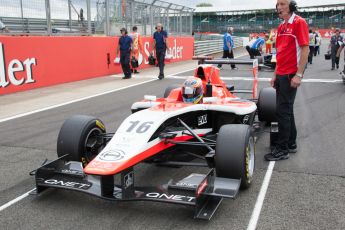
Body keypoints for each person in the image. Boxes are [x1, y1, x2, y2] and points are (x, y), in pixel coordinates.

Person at [265, 0, 309, 161]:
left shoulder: (299, 22)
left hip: (291, 74)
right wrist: (275, 74)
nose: (279, 7)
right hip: (281, 74)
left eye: (283, 4)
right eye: (278, 4)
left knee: (282, 111)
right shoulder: (281, 26)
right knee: (286, 110)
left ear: (291, 6)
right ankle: (291, 143)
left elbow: (305, 49)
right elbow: (280, 53)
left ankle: (282, 149)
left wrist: (299, 74)